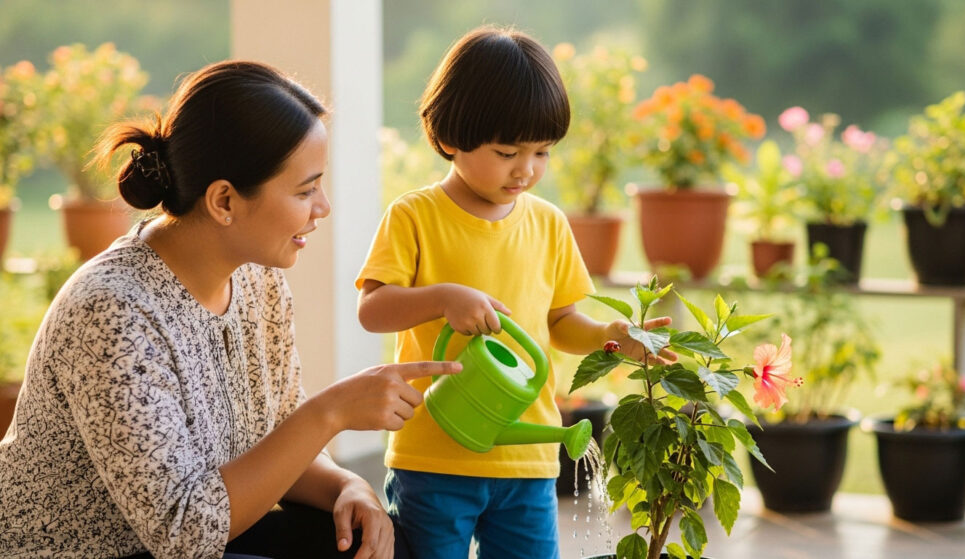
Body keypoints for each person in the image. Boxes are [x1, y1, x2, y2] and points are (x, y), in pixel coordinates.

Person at [0, 60, 459, 559]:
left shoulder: (259, 278)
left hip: (204, 534)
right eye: (305, 190)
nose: (323, 206)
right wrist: (331, 412)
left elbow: (279, 440)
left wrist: (348, 487)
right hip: (99, 551)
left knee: (378, 543)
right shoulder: (112, 313)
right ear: (224, 201)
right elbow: (184, 534)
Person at [356, 26, 671, 559]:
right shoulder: (415, 216)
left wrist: (610, 336)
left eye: (542, 152)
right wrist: (443, 298)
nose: (526, 169)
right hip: (435, 456)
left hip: (527, 456)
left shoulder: (548, 224)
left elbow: (560, 322)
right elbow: (373, 310)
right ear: (450, 137)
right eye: (507, 151)